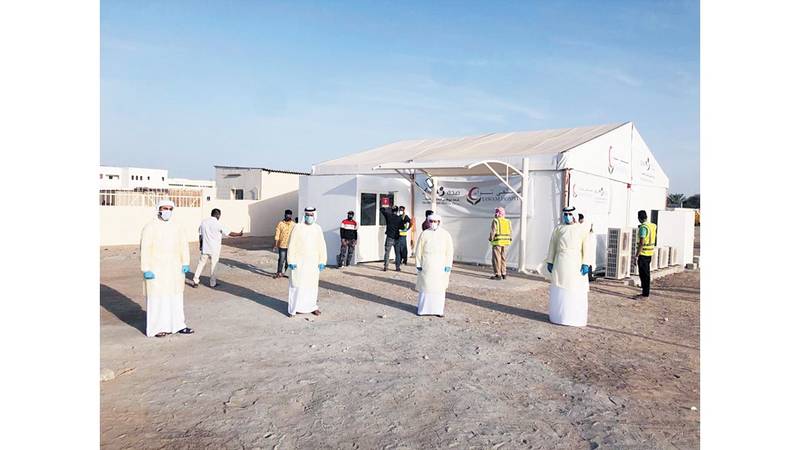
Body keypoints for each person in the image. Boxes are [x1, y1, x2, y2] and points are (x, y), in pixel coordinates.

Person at [140, 199, 193, 337]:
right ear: (159, 209)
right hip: (156, 269)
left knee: (175, 298)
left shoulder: (178, 227)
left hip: (174, 269)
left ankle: (179, 325)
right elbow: (145, 249)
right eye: (165, 208)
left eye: (170, 209)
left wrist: (185, 262)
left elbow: (183, 245)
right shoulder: (150, 227)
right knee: (158, 300)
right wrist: (146, 268)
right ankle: (157, 328)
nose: (167, 211)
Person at [544, 206, 591, 327]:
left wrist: (585, 263)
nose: (567, 216)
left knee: (575, 288)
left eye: (570, 214)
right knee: (559, 288)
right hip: (560, 263)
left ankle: (574, 318)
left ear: (574, 215)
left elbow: (586, 247)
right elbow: (552, 245)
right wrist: (550, 261)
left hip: (576, 264)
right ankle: (558, 317)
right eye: (565, 214)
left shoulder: (581, 229)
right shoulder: (558, 229)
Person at [286, 207, 327, 317]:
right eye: (307, 215)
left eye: (311, 215)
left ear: (315, 216)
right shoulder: (298, 227)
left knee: (311, 287)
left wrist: (322, 261)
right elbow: (291, 245)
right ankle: (293, 309)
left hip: (313, 264)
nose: (309, 217)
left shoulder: (317, 228)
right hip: (299, 264)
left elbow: (322, 246)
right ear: (304, 215)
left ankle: (312, 307)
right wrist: (291, 260)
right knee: (297, 286)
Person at [414, 214, 454, 317]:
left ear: (439, 222)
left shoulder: (445, 234)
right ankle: (423, 310)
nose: (433, 223)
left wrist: (448, 265)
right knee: (426, 287)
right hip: (427, 265)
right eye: (431, 221)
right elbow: (419, 250)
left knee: (439, 288)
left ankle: (438, 310)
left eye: (435, 221)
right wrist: (418, 263)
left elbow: (449, 251)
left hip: (441, 265)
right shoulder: (424, 234)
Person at [192, 209, 243, 288]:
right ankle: (212, 283)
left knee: (201, 264)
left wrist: (201, 245)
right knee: (214, 266)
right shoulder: (218, 224)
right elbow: (229, 233)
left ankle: (195, 280)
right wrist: (239, 234)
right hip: (214, 249)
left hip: (205, 248)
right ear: (218, 215)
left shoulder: (203, 222)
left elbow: (200, 235)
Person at [634, 210, 657, 299]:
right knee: (646, 273)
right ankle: (645, 292)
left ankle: (645, 293)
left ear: (639, 218)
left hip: (643, 254)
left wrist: (636, 256)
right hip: (650, 253)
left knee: (643, 274)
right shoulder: (653, 226)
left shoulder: (643, 228)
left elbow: (641, 243)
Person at [489, 207, 512, 280]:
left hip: (498, 242)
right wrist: (510, 239)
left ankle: (498, 274)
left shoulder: (495, 220)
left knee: (496, 258)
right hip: (506, 242)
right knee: (503, 258)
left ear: (497, 213)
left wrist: (491, 238)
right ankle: (504, 273)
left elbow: (493, 231)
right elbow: (510, 231)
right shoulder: (508, 221)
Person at [379, 204, 404, 272]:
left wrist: (386, 207)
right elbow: (402, 227)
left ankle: (386, 267)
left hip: (389, 237)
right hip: (397, 238)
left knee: (387, 252)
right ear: (397, 211)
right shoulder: (399, 218)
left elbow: (381, 210)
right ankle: (397, 267)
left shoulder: (388, 215)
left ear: (391, 210)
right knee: (397, 253)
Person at [273, 209, 295, 279]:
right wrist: (276, 244)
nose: (288, 216)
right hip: (282, 245)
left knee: (288, 260)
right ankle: (279, 272)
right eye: (287, 215)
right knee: (281, 260)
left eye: (289, 215)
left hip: (290, 246)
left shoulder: (293, 224)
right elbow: (277, 234)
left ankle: (286, 273)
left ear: (291, 216)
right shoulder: (280, 224)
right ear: (284, 215)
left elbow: (296, 235)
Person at [578, 214, 596, 282]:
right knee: (587, 261)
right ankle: (588, 277)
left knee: (588, 261)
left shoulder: (584, 226)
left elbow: (591, 233)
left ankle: (589, 276)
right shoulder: (578, 227)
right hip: (583, 247)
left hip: (587, 246)